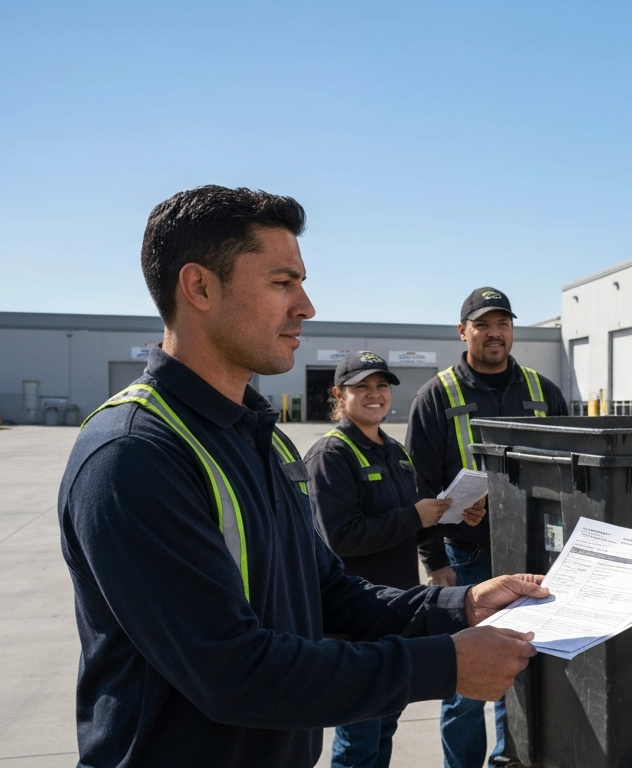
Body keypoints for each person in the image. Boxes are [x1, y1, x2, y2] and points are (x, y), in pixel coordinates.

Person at [57, 185, 548, 768]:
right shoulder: (133, 455)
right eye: (282, 283)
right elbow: (233, 672)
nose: (306, 307)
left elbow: (328, 593)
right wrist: (447, 662)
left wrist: (461, 605)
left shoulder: (259, 438)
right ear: (200, 288)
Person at [405, 287, 569, 768]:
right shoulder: (437, 396)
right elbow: (419, 488)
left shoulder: (543, 390)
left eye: (502, 323)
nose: (495, 333)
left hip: (539, 558)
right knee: (467, 681)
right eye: (483, 324)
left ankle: (509, 760)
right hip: (471, 558)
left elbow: (571, 470)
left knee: (529, 671)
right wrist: (435, 560)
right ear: (464, 332)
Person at [304, 351, 487, 768]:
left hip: (398, 609)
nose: (375, 394)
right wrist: (414, 515)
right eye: (362, 387)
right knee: (360, 737)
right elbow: (341, 537)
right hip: (358, 620)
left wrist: (453, 514)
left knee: (385, 726)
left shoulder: (395, 451)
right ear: (339, 394)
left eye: (382, 385)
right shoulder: (332, 455)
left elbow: (413, 523)